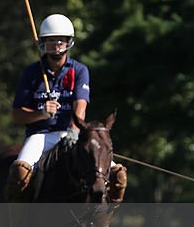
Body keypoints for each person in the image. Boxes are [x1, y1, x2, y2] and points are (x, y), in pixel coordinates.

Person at [7, 13, 127, 205]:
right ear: (43, 43)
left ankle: (104, 224)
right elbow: (17, 115)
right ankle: (18, 224)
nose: (56, 45)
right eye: (51, 41)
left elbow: (81, 104)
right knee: (20, 172)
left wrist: (74, 128)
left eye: (61, 40)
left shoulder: (79, 70)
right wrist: (41, 113)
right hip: (40, 135)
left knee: (118, 176)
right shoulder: (31, 73)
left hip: (71, 133)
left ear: (69, 42)